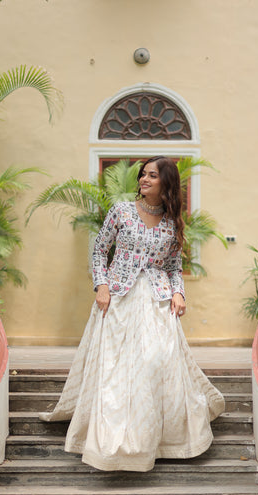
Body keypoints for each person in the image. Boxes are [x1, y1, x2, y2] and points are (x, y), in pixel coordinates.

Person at [40, 156, 225, 471]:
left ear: (165, 182)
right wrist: (101, 286)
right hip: (118, 300)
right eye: (143, 174)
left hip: (156, 301)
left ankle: (158, 438)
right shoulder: (121, 211)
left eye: (152, 175)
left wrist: (179, 292)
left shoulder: (171, 221)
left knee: (156, 362)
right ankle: (116, 441)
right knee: (117, 369)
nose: (144, 179)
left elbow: (173, 265)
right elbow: (100, 250)